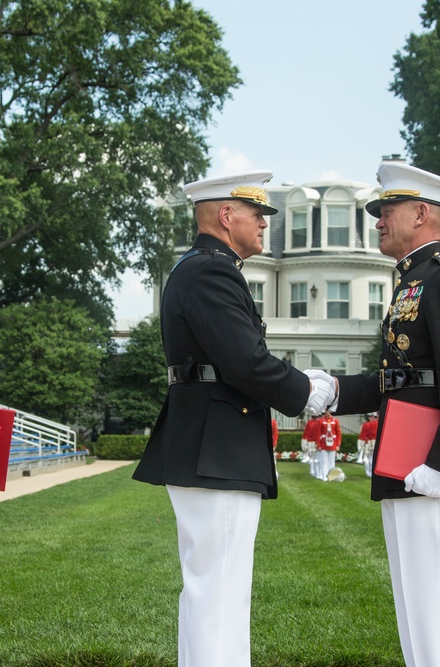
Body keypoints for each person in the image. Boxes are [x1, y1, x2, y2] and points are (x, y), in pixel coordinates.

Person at [132, 171, 334, 667]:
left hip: (208, 440)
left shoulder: (201, 268)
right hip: (216, 445)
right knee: (219, 595)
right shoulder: (212, 272)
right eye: (257, 214)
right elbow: (244, 361)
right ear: (226, 216)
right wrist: (305, 392)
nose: (265, 224)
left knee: (212, 592)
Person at [308, 160, 440, 667]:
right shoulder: (410, 280)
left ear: (422, 214)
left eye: (388, 210)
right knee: (415, 596)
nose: (379, 220)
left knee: (435, 592)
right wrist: (336, 390)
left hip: (430, 458)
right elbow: (400, 379)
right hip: (404, 448)